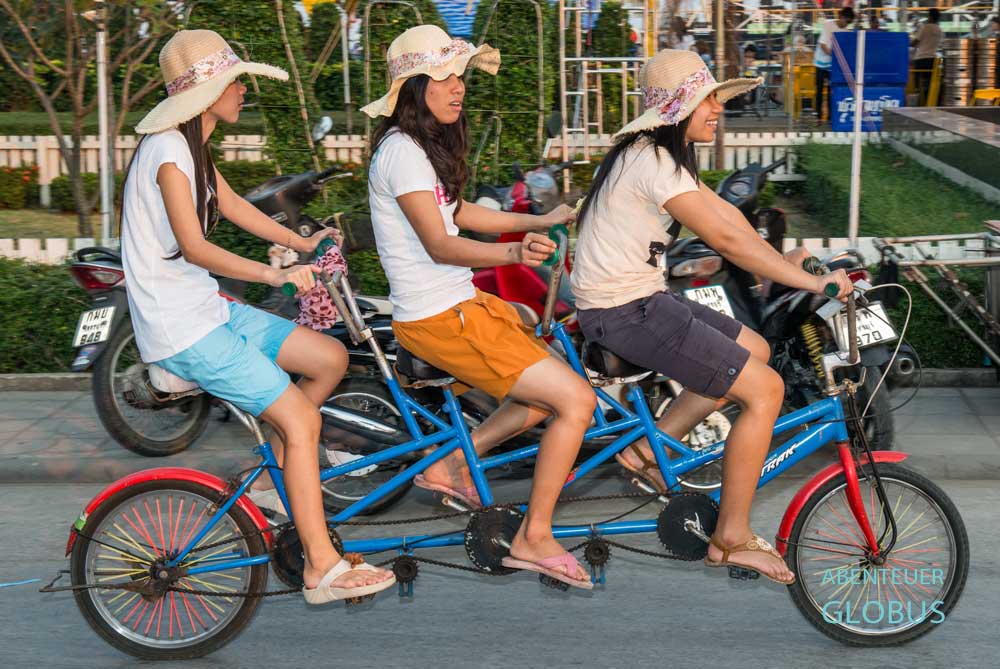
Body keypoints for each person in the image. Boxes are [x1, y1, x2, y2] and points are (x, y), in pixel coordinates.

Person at [121, 29, 395, 604]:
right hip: (184, 330)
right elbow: (195, 247)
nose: (242, 89)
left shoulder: (190, 146)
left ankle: (277, 482)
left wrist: (301, 242)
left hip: (208, 309)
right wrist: (274, 274)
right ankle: (322, 566)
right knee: (302, 422)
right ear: (208, 92)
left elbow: (236, 206)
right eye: (234, 81)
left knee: (328, 358)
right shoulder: (168, 153)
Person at [570, 49, 853, 585]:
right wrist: (813, 283)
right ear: (679, 108)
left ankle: (644, 455)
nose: (718, 109)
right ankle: (731, 536)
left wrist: (784, 261)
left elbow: (728, 218)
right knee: (765, 391)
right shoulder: (653, 161)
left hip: (634, 301)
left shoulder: (658, 156)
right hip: (625, 310)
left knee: (757, 351)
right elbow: (723, 240)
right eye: (709, 100)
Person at [361, 25, 597, 589]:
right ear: (414, 88)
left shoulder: (419, 151)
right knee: (577, 401)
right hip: (440, 318)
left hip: (461, 303)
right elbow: (440, 245)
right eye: (443, 77)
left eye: (460, 75)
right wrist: (515, 248)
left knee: (549, 393)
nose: (457, 87)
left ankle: (451, 464)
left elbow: (460, 214)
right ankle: (535, 536)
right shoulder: (401, 153)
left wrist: (538, 220)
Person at [814, 7, 855, 123]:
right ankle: (818, 117)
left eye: (849, 23)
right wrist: (836, 57)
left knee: (832, 91)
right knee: (819, 91)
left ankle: (831, 118)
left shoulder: (846, 32)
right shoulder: (828, 25)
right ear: (841, 17)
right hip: (821, 63)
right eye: (847, 22)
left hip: (834, 66)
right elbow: (823, 45)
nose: (847, 24)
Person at [912, 8, 943, 106]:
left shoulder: (924, 27)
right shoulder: (939, 30)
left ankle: (917, 101)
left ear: (929, 16)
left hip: (920, 60)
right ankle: (928, 103)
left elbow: (914, 43)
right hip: (932, 61)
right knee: (929, 85)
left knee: (917, 84)